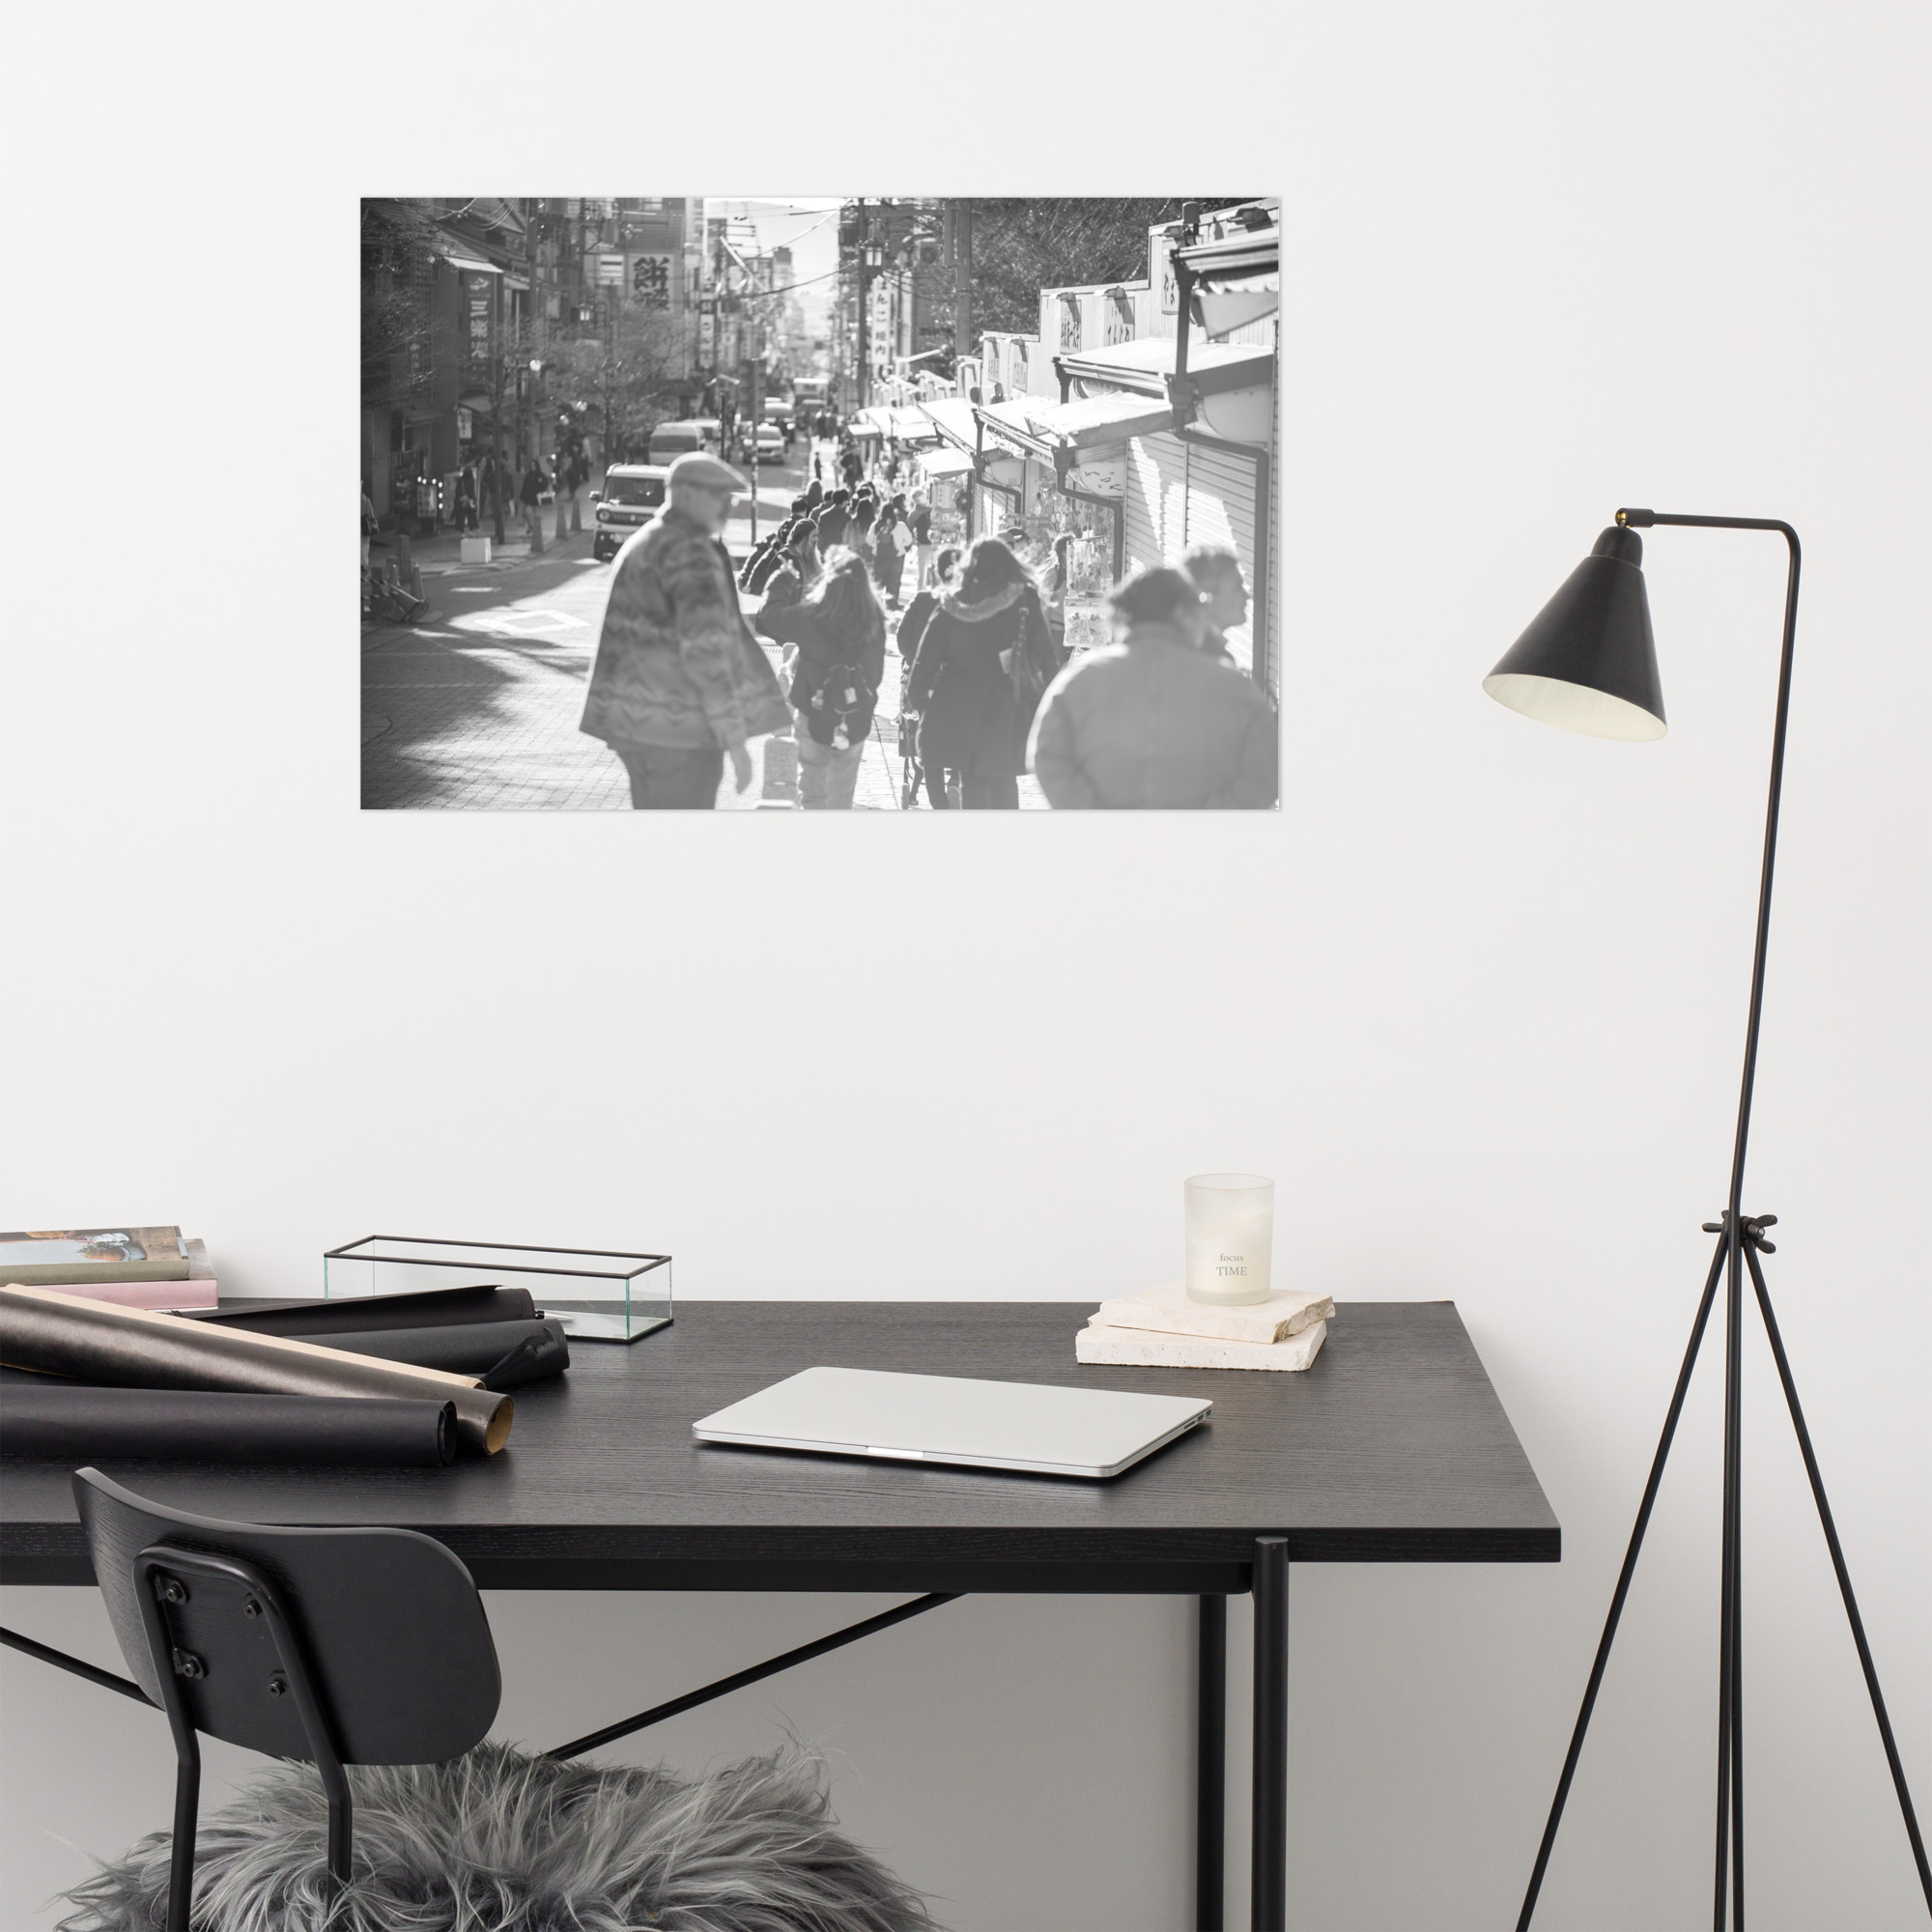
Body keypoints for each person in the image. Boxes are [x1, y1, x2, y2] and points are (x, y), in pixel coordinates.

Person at [579, 451, 790, 810]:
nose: (729, 505)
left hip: (637, 727)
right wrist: (735, 739)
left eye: (732, 497)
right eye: (720, 495)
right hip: (679, 732)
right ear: (686, 494)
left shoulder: (645, 541)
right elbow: (706, 652)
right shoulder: (690, 551)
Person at [1028, 566, 1277, 809]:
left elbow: (1047, 757)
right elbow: (1264, 773)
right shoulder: (1234, 685)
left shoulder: (1079, 678)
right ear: (1182, 614)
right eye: (1201, 603)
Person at [903, 536, 1057, 810]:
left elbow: (924, 661)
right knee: (1004, 779)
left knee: (972, 780)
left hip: (960, 705)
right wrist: (1050, 704)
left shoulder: (951, 605)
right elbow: (1046, 656)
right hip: (1008, 703)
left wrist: (925, 705)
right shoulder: (1024, 603)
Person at [753, 549, 886, 810]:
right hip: (854, 716)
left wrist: (783, 578)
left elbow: (769, 615)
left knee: (813, 794)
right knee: (841, 798)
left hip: (814, 713)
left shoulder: (814, 617)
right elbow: (875, 675)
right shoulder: (874, 622)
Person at [895, 547, 961, 808]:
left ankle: (938, 804)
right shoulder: (967, 605)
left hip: (922, 683)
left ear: (936, 570)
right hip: (957, 684)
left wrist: (912, 658)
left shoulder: (923, 600)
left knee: (925, 738)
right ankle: (955, 780)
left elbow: (901, 639)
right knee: (956, 733)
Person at [1181, 544, 1248, 667]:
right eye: (1237, 587)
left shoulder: (1182, 643)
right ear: (1206, 597)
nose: (1247, 596)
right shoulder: (1213, 660)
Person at [1042, 533, 1075, 668]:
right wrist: (1045, 635)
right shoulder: (1052, 573)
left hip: (1076, 632)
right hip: (1057, 632)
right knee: (1058, 670)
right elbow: (1043, 605)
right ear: (1063, 552)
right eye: (1073, 548)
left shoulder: (1078, 572)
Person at [908, 492, 934, 589]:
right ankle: (922, 594)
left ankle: (923, 593)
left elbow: (909, 529)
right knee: (925, 572)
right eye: (924, 496)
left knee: (924, 572)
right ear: (918, 499)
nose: (926, 498)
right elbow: (909, 530)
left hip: (926, 544)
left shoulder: (913, 514)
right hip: (926, 545)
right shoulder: (916, 513)